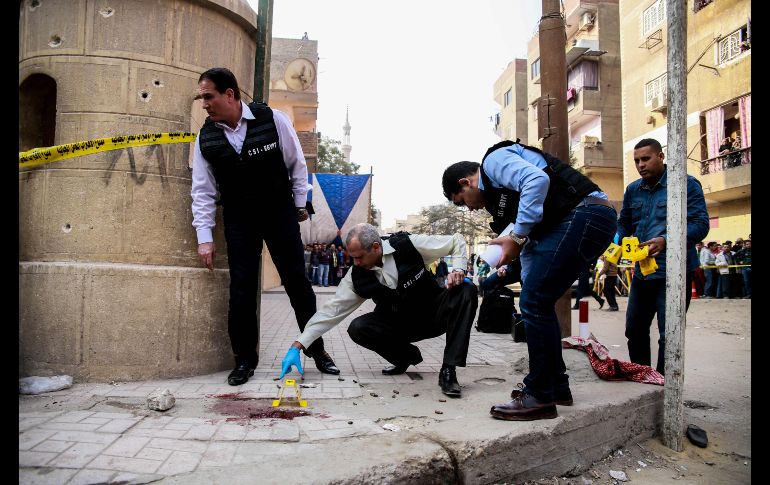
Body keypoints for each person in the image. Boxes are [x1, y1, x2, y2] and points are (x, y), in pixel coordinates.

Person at [442, 138, 617, 420]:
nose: (470, 209)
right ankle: (557, 386)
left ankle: (539, 396)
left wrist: (517, 236)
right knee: (538, 300)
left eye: (461, 202)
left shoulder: (493, 162)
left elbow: (536, 180)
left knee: (535, 301)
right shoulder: (504, 200)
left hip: (585, 213)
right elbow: (526, 244)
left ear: (466, 182)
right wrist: (513, 260)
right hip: (586, 219)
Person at [190, 67, 339, 386]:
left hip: (278, 211)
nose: (204, 104)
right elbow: (202, 191)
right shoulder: (206, 137)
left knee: (297, 283)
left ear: (229, 94)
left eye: (208, 96)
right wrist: (205, 237)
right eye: (202, 97)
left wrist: (300, 204)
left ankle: (317, 350)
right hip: (239, 217)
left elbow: (297, 165)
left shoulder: (273, 119)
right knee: (241, 288)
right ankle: (244, 359)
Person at [279, 223, 478, 398]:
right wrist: (297, 345)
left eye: (359, 257)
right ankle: (404, 358)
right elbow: (331, 312)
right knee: (358, 327)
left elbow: (456, 241)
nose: (355, 263)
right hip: (401, 324)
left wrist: (459, 270)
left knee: (466, 290)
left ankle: (448, 369)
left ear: (376, 247)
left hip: (434, 314)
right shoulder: (356, 276)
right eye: (352, 258)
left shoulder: (409, 245)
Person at [617, 138, 709, 375]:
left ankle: (664, 389)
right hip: (642, 274)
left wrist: (668, 240)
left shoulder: (686, 184)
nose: (640, 165)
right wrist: (614, 245)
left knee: (669, 335)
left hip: (674, 273)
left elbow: (700, 225)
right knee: (634, 329)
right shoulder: (633, 190)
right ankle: (643, 380)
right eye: (636, 160)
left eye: (645, 159)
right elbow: (624, 224)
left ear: (661, 156)